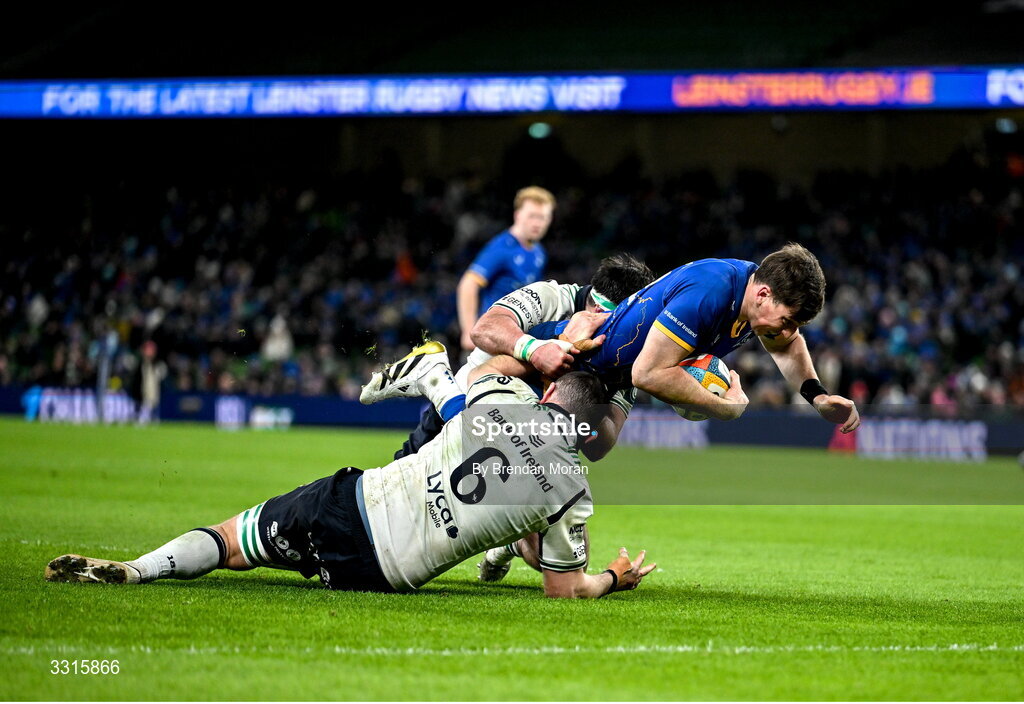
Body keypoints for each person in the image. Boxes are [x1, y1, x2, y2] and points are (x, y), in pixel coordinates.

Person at [45, 345, 655, 598]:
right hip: (384, 575)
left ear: (549, 397)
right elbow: (563, 587)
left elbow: (490, 359)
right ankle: (429, 375)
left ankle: (139, 569)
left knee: (234, 543)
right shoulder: (571, 493)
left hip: (354, 502)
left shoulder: (500, 402)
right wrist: (610, 577)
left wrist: (536, 354)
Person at [527, 243, 861, 432]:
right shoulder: (710, 291)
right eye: (787, 320)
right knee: (539, 476)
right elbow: (647, 374)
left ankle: (504, 550)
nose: (787, 331)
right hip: (558, 360)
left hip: (601, 380)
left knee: (589, 452)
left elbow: (788, 344)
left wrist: (817, 397)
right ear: (763, 294)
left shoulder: (754, 300)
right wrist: (725, 408)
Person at [368, 253, 656, 461]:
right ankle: (435, 378)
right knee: (401, 503)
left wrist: (603, 388)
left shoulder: (627, 353)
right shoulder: (552, 297)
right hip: (466, 406)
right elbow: (484, 329)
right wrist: (539, 348)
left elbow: (600, 447)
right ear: (603, 313)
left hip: (528, 442)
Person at [456, 186, 555, 351]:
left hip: (517, 337)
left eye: (543, 217)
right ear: (517, 215)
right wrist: (468, 331)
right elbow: (468, 284)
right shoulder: (502, 247)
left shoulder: (539, 252)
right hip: (492, 338)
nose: (537, 223)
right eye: (532, 216)